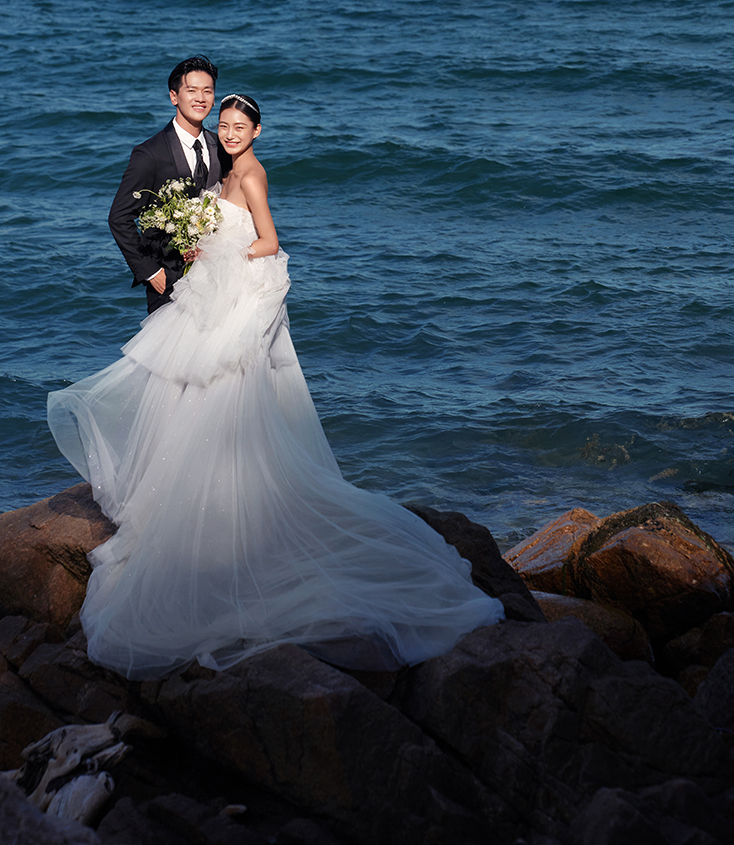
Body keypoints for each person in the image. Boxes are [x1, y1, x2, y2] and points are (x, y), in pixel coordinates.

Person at [48, 91, 503, 679]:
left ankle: (217, 513)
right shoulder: (224, 165)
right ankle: (205, 500)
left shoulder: (252, 176)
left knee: (221, 402)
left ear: (258, 132)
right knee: (202, 399)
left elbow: (269, 242)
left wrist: (212, 246)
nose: (230, 132)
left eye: (240, 126)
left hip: (233, 292)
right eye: (225, 124)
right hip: (215, 291)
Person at [108, 57, 228, 315]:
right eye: (191, 90)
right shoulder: (150, 154)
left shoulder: (222, 148)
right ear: (174, 96)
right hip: (168, 281)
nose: (200, 98)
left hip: (216, 277)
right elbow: (119, 217)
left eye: (207, 91)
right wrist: (150, 271)